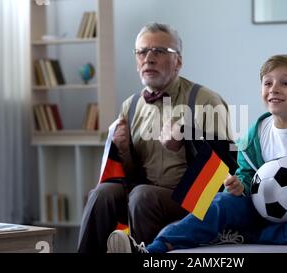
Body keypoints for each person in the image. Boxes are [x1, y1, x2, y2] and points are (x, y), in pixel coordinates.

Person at [106, 54, 287, 253]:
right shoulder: (254, 133)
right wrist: (239, 184)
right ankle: (152, 248)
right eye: (267, 83)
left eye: (286, 83)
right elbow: (246, 174)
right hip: (260, 210)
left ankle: (247, 235)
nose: (274, 89)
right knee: (221, 202)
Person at [77, 22, 233, 253]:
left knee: (142, 195)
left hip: (189, 199)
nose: (148, 58)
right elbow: (129, 174)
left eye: (159, 51)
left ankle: (150, 255)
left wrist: (188, 138)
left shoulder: (206, 100)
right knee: (102, 194)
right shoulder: (130, 106)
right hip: (143, 194)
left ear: (178, 61)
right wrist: (124, 150)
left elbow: (223, 168)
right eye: (142, 51)